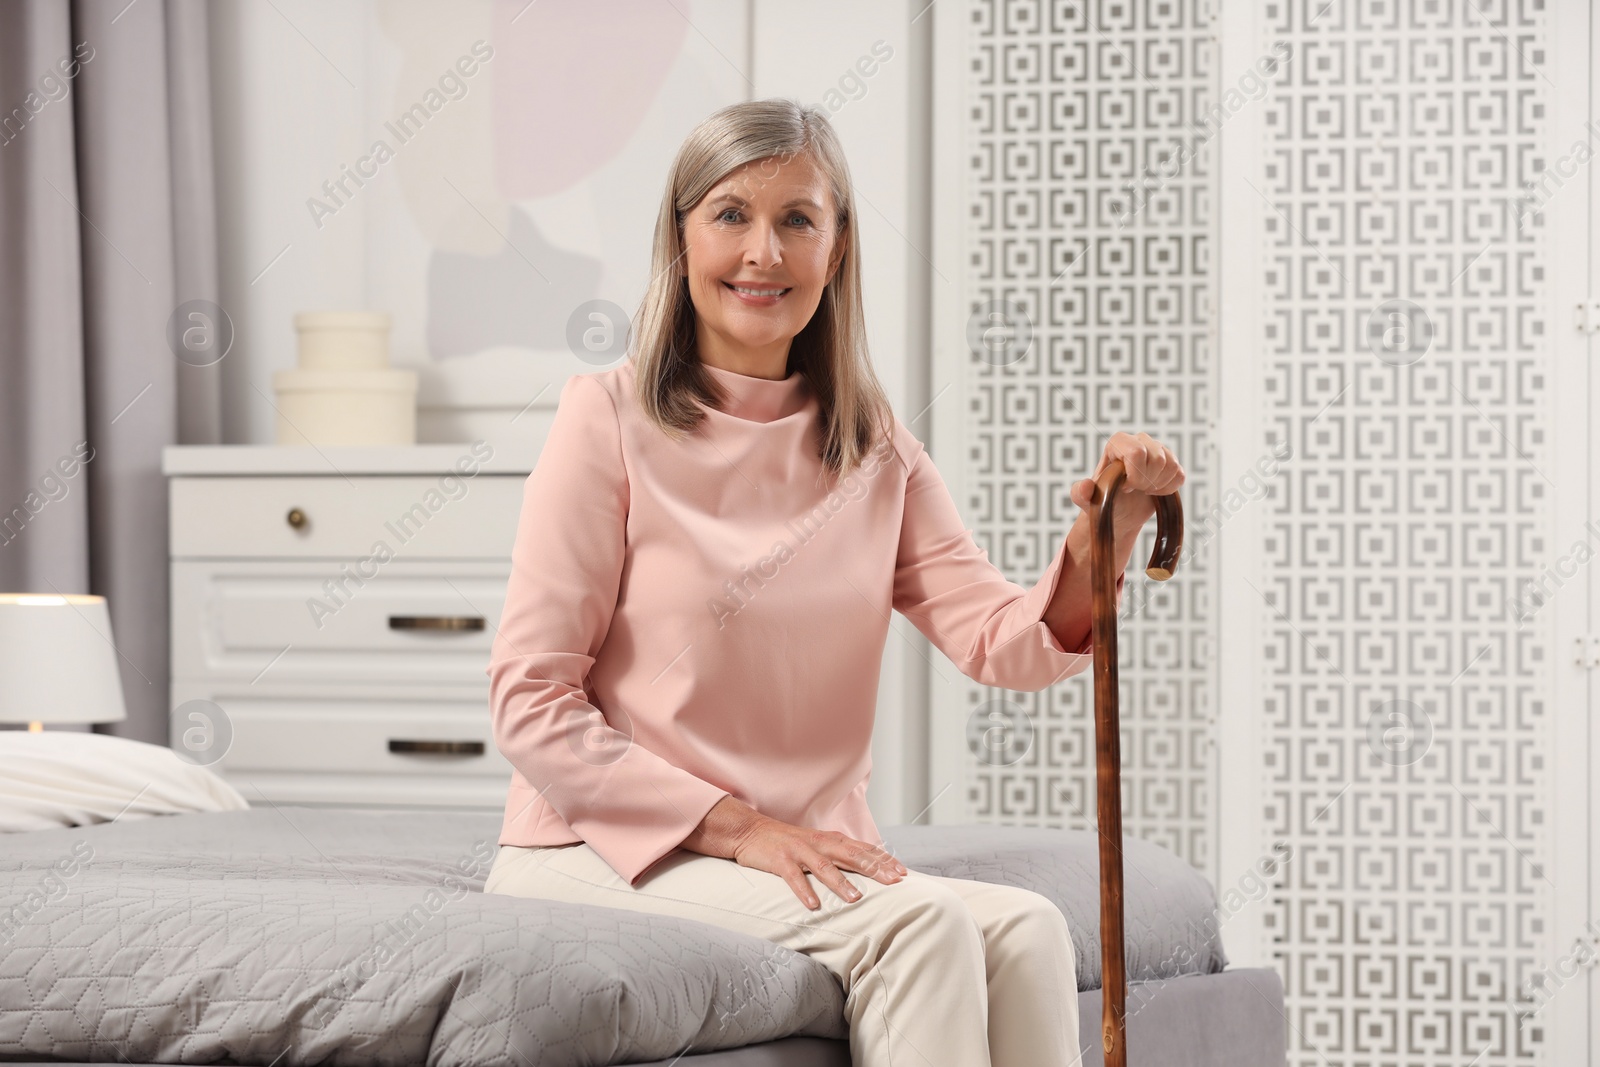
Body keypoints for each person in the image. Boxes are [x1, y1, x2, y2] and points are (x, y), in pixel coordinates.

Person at [481, 97, 1185, 1067]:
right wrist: (737, 826)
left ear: (838, 246)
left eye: (797, 219)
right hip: (603, 847)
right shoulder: (603, 420)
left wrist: (1102, 536)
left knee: (1026, 927)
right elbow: (529, 697)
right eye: (730, 214)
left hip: (795, 850)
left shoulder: (872, 445)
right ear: (679, 237)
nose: (762, 250)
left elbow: (1003, 641)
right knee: (918, 924)